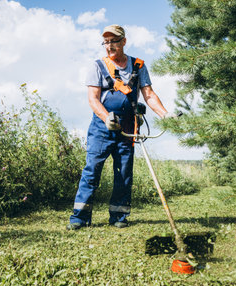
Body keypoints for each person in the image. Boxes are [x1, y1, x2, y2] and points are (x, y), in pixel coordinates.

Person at [67, 24, 174, 230]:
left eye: (113, 41)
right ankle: (79, 218)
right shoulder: (97, 66)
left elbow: (149, 95)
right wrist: (107, 118)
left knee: (124, 173)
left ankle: (119, 216)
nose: (109, 46)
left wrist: (165, 114)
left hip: (128, 127)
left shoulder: (138, 66)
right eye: (106, 42)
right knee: (92, 171)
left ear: (123, 41)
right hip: (102, 128)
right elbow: (93, 99)